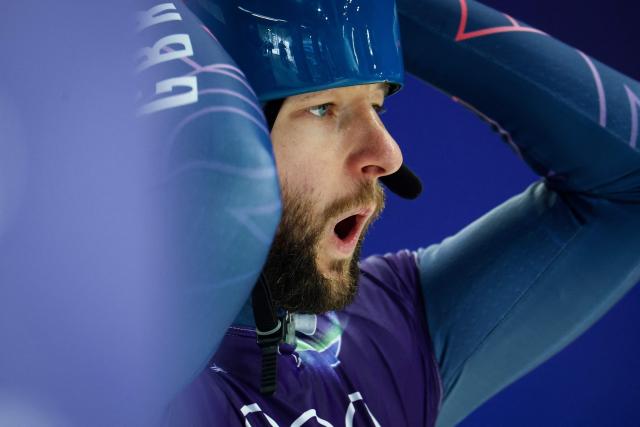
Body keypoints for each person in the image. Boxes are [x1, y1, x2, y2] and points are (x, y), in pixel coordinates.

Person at [146, 0, 640, 425]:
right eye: (323, 107)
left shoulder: (385, 343)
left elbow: (628, 186)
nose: (388, 155)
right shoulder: (101, 375)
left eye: (377, 106)